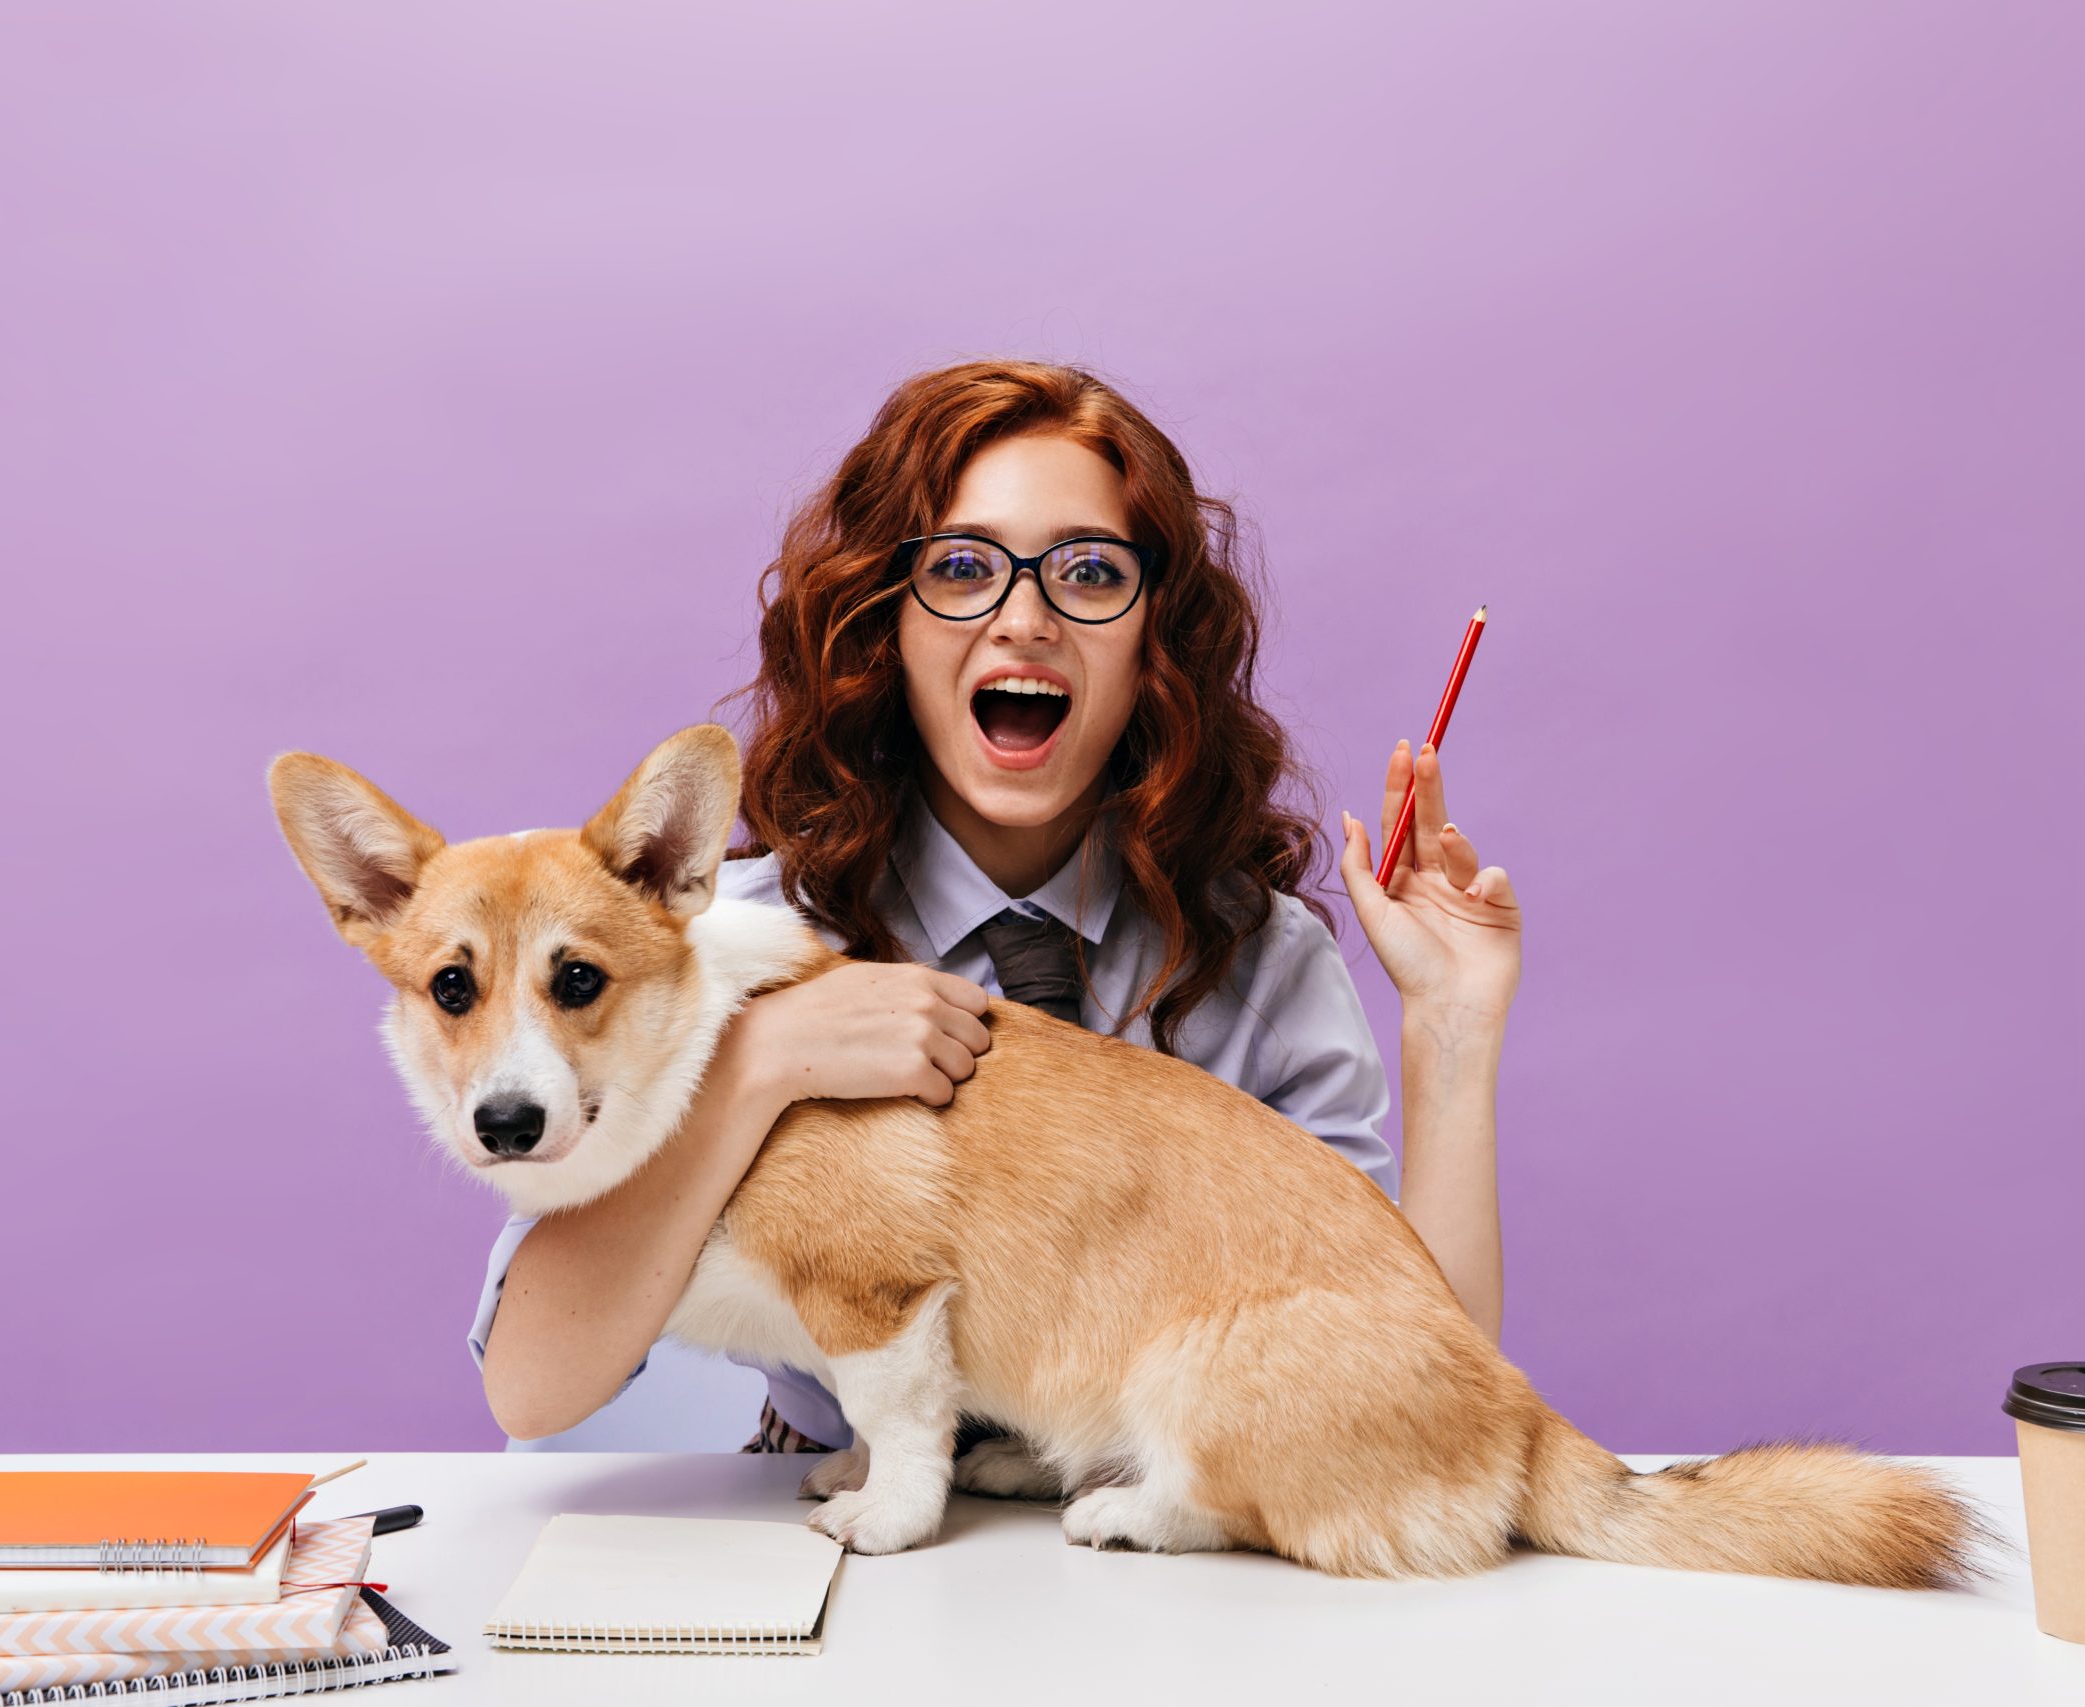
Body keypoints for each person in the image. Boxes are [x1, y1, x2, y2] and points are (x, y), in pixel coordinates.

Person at [472, 360, 1522, 1456]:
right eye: (963, 568)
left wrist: (1452, 1028)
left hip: (1167, 1509)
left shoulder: (1258, 962)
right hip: (845, 1503)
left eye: (1088, 570)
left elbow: (1417, 1393)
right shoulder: (714, 947)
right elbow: (530, 1390)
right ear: (887, 625)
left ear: (1154, 642)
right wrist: (755, 1064)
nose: (1024, 620)